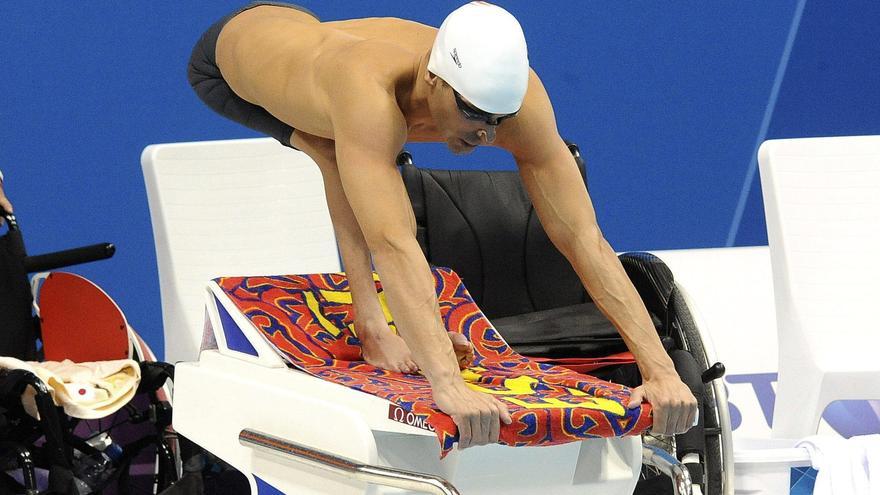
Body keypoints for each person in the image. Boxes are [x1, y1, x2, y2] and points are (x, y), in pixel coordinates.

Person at [187, 1, 698, 449]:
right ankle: (371, 324)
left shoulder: (518, 102)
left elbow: (584, 238)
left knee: (347, 151)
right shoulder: (368, 91)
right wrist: (446, 381)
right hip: (229, 58)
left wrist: (660, 371)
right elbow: (394, 244)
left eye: (498, 119)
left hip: (317, 40)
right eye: (473, 113)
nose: (485, 132)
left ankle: (374, 326)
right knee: (335, 150)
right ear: (435, 80)